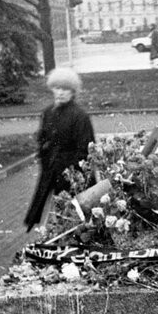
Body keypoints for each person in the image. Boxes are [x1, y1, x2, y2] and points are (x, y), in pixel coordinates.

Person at [24, 68, 96, 231]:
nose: (61, 93)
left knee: (75, 215)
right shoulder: (48, 113)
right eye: (57, 88)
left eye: (65, 89)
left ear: (73, 92)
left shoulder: (80, 116)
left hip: (72, 174)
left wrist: (71, 171)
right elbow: (42, 139)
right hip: (52, 172)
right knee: (55, 212)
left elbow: (86, 149)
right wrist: (45, 156)